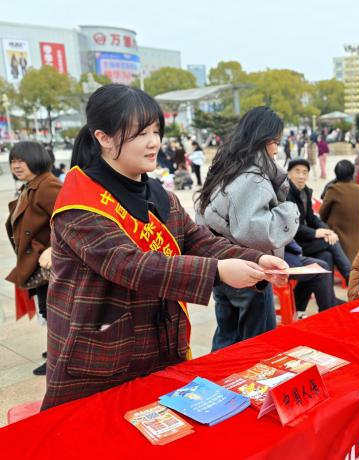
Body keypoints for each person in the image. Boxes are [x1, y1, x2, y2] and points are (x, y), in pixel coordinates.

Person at [43, 85, 288, 410]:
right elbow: (129, 265)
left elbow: (198, 240)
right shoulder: (81, 203)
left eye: (156, 131)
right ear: (103, 137)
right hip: (101, 360)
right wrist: (217, 272)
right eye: (140, 133)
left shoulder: (160, 196)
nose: (154, 142)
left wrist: (257, 259)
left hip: (161, 348)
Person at [195, 106, 300, 351]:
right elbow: (258, 232)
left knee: (226, 338)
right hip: (249, 270)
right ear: (262, 139)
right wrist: (289, 210)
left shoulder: (225, 167)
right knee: (258, 345)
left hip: (222, 265)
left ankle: (219, 375)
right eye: (275, 142)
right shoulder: (252, 177)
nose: (277, 149)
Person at [6, 141, 62, 376]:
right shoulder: (31, 186)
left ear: (36, 159)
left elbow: (69, 219)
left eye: (21, 160)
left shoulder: (47, 185)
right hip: (38, 263)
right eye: (13, 161)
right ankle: (56, 351)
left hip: (49, 263)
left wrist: (52, 248)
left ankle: (59, 359)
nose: (16, 165)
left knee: (54, 312)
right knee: (47, 310)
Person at [286, 158, 351, 283]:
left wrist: (327, 230)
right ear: (289, 173)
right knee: (331, 243)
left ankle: (325, 295)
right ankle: (351, 279)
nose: (301, 176)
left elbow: (312, 218)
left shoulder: (305, 191)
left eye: (305, 172)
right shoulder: (285, 194)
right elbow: (291, 227)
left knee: (327, 255)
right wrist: (315, 233)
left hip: (304, 239)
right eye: (297, 171)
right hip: (293, 244)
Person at [319, 160, 359, 263]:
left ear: (336, 174)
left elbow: (322, 214)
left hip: (338, 238)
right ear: (352, 173)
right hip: (358, 239)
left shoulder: (333, 189)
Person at [284, 240, 338, 318]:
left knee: (326, 255)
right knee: (320, 267)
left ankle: (298, 309)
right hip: (281, 254)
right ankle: (329, 316)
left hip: (288, 250)